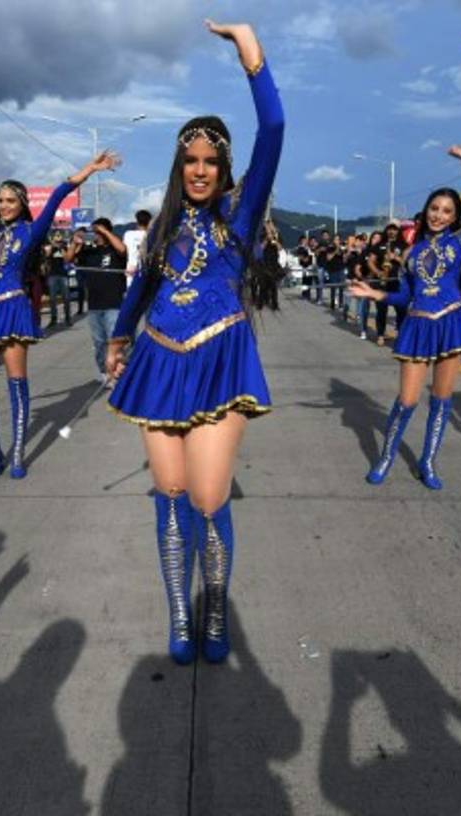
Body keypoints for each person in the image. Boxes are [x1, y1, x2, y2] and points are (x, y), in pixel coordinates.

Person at [105, 20, 282, 665]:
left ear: (225, 168)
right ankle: (180, 615)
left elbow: (275, 132)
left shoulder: (240, 215)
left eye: (211, 161)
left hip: (220, 359)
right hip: (157, 359)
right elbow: (141, 289)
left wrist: (251, 55)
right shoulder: (163, 228)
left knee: (210, 498)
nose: (201, 170)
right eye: (192, 161)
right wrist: (119, 339)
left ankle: (213, 606)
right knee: (171, 496)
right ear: (180, 167)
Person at [0, 152, 118, 479]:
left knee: (16, 382)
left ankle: (19, 452)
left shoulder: (32, 231)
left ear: (22, 203)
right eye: (0, 200)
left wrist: (91, 170)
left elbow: (58, 194)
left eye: (10, 200)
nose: (4, 205)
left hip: (12, 307)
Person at [349, 145, 461, 490]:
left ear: (456, 217)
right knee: (407, 399)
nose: (439, 215)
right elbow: (407, 296)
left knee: (441, 399)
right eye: (434, 209)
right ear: (426, 212)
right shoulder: (410, 252)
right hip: (417, 323)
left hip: (452, 323)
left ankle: (428, 462)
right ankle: (386, 456)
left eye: (447, 211)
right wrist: (375, 294)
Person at [67, 217, 128, 383]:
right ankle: (104, 370)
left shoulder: (115, 250)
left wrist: (105, 231)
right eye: (95, 232)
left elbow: (122, 250)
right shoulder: (88, 251)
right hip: (94, 304)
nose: (96, 235)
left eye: (98, 232)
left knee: (114, 340)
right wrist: (76, 242)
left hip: (114, 303)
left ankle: (117, 372)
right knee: (99, 342)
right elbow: (68, 259)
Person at [122, 209, 151, 288]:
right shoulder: (151, 235)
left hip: (131, 270)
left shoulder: (128, 234)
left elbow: (125, 250)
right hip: (146, 270)